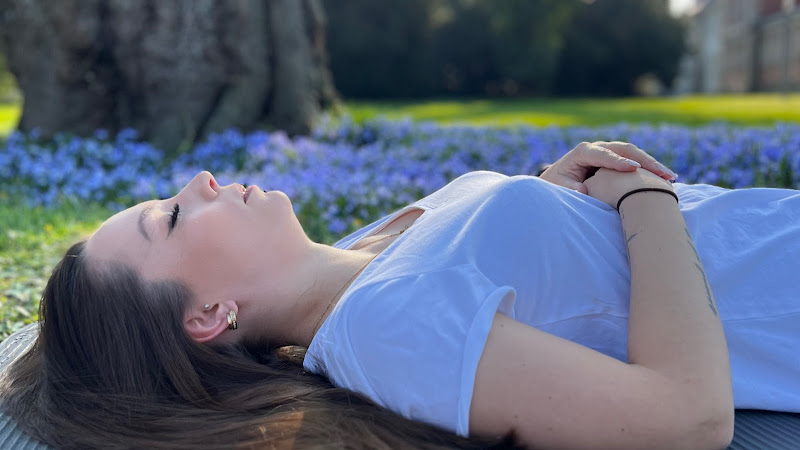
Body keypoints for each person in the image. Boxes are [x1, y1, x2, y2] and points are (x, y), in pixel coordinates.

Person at [1, 141, 798, 449]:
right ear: (210, 316)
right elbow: (687, 417)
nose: (198, 178)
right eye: (171, 218)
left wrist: (554, 200)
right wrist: (644, 202)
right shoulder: (381, 329)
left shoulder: (353, 262)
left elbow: (544, 285)